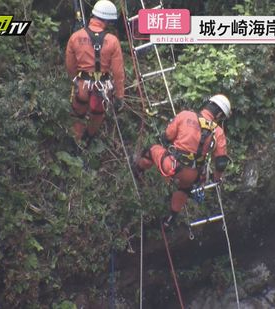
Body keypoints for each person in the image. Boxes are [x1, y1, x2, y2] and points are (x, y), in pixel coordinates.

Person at [133, 95, 232, 227]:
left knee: (152, 150)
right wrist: (216, 178)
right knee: (185, 188)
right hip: (192, 175)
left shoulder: (185, 115)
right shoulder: (218, 132)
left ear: (208, 103)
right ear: (219, 114)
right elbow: (221, 163)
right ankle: (170, 219)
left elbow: (167, 136)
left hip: (172, 165)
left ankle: (137, 171)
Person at [65, 0, 125, 146]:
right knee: (97, 115)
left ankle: (76, 144)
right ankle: (88, 139)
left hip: (82, 85)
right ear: (107, 20)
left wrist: (75, 81)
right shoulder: (112, 41)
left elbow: (70, 65)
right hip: (102, 88)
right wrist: (119, 96)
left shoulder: (76, 37)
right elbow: (118, 73)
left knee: (78, 115)